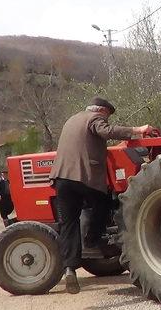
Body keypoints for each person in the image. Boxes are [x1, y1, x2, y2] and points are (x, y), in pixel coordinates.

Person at [49, 97, 154, 294]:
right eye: (107, 115)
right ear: (102, 111)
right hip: (83, 176)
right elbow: (106, 131)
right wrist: (137, 130)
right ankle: (92, 241)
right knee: (104, 202)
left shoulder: (72, 120)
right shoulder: (94, 119)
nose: (106, 119)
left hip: (61, 178)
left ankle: (70, 268)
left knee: (68, 223)